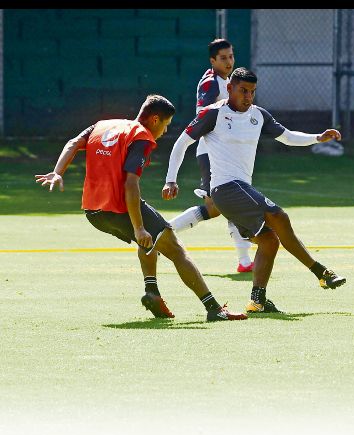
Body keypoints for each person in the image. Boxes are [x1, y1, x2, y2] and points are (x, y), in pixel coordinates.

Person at [34, 94, 247, 323]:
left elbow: (73, 143)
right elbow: (130, 184)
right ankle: (214, 309)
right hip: (118, 208)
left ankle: (152, 291)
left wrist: (57, 172)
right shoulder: (141, 137)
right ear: (155, 119)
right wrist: (138, 227)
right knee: (175, 248)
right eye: (166, 124)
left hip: (93, 212)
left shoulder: (103, 125)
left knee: (150, 240)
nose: (165, 131)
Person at [162, 67, 346, 314]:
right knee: (279, 216)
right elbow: (181, 143)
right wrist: (171, 180)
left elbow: (287, 137)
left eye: (252, 91)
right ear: (230, 89)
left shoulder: (258, 115)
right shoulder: (213, 113)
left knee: (269, 241)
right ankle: (321, 272)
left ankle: (257, 301)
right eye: (243, 90)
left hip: (241, 190)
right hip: (225, 188)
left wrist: (318, 137)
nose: (248, 96)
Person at [167, 38, 256, 273]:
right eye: (223, 58)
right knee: (227, 203)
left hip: (225, 153)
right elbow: (203, 115)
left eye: (231, 56)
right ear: (212, 60)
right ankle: (162, 234)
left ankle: (245, 261)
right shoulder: (211, 83)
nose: (229, 62)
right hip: (212, 153)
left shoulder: (228, 80)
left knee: (221, 206)